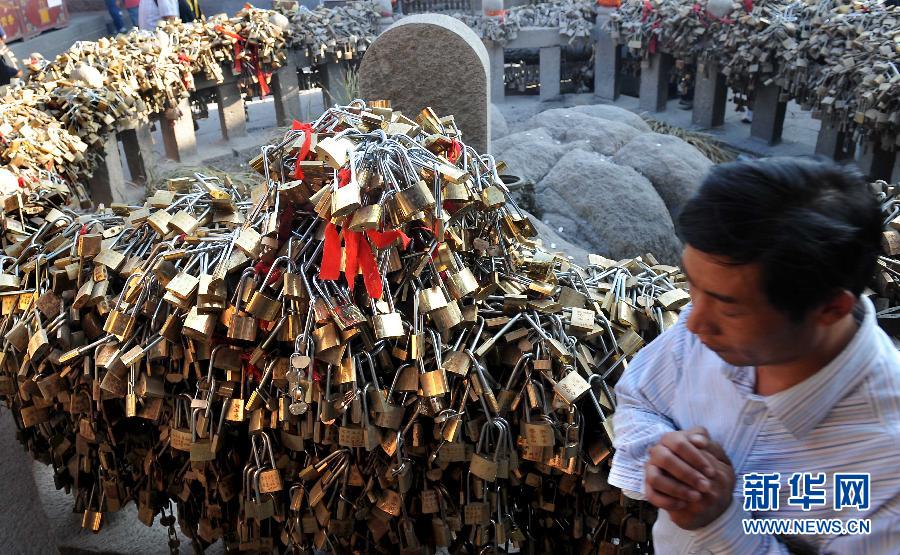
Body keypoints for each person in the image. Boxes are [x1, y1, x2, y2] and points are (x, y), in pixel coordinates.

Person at [609, 157, 900, 553]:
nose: (693, 324)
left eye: (730, 307)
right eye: (693, 287)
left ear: (830, 309)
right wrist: (669, 462)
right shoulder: (711, 326)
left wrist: (720, 521)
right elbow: (638, 396)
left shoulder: (886, 465)